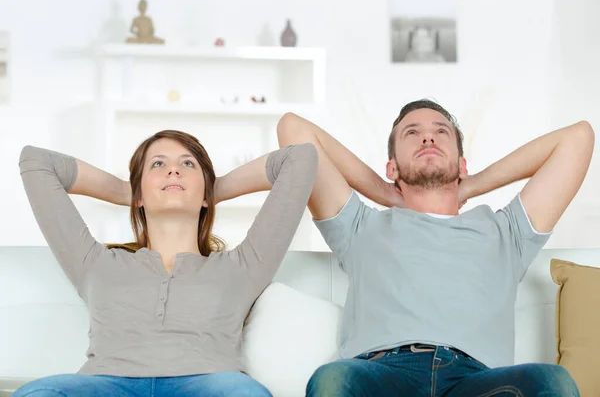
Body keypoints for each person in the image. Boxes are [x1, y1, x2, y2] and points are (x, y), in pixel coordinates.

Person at [276, 100, 594, 396]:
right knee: (332, 379)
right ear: (392, 168)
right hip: (380, 374)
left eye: (441, 132)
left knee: (553, 382)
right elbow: (294, 129)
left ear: (462, 163)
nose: (428, 139)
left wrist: (471, 183)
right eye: (412, 133)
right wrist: (385, 192)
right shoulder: (360, 227)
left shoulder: (506, 232)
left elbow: (578, 138)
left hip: (475, 381)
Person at [14, 130, 318, 397]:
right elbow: (37, 162)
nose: (173, 171)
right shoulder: (95, 264)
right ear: (138, 195)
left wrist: (208, 190)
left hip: (211, 383)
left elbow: (300, 159)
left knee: (245, 393)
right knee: (38, 392)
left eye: (187, 164)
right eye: (158, 164)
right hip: (105, 383)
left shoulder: (244, 265)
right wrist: (128, 191)